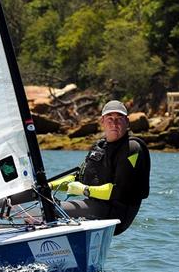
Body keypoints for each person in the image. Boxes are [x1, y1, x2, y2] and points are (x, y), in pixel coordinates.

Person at [51, 100, 150, 236]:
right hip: (95, 206)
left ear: (127, 122)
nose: (114, 123)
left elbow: (119, 191)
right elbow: (79, 177)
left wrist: (84, 190)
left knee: (48, 211)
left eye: (119, 119)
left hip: (115, 214)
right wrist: (50, 185)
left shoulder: (132, 148)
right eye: (110, 118)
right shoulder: (100, 147)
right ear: (102, 121)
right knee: (37, 210)